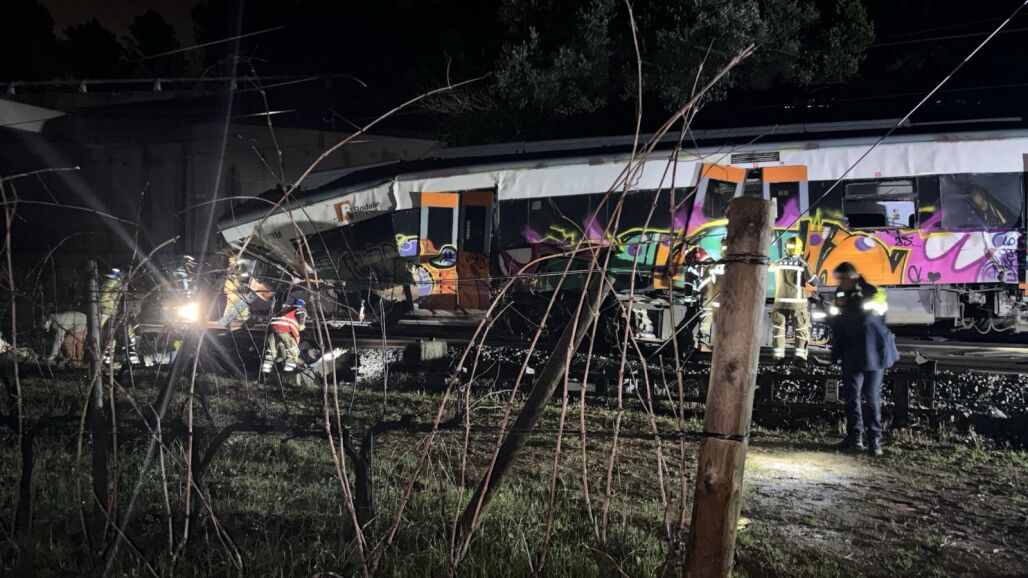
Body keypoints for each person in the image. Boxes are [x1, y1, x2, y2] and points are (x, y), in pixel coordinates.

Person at [829, 262, 898, 456]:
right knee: (852, 397)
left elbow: (869, 318)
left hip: (872, 351)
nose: (839, 283)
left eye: (842, 279)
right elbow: (837, 321)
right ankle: (855, 438)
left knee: (871, 397)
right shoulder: (840, 294)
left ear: (852, 276)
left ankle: (874, 441)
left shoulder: (873, 291)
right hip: (853, 352)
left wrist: (848, 307)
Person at [770, 237, 817, 361]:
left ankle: (778, 357)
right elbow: (813, 282)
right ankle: (799, 358)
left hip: (780, 303)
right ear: (800, 249)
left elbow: (767, 268)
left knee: (779, 329)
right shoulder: (802, 264)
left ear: (786, 249)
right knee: (801, 329)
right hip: (798, 304)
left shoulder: (778, 263)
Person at [262, 298, 307, 373]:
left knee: (271, 350)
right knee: (293, 348)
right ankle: (290, 365)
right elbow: (300, 318)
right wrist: (301, 326)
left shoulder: (283, 308)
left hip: (273, 329)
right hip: (284, 330)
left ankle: (267, 365)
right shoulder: (299, 309)